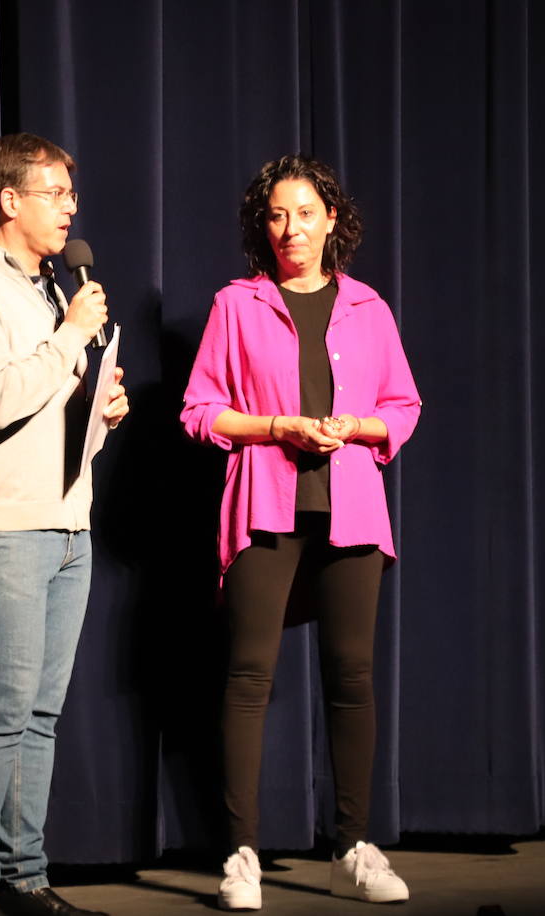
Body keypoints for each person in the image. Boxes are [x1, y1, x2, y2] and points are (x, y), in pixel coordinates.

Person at [180, 155, 422, 909]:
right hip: (265, 507)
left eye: (306, 214)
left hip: (350, 507)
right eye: (278, 216)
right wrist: (276, 425)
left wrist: (357, 426)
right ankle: (241, 854)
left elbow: (403, 407)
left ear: (332, 222)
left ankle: (352, 847)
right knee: (250, 677)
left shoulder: (369, 308)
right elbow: (198, 411)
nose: (292, 230)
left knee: (352, 679)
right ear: (265, 226)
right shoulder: (237, 306)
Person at [0, 133, 128, 916]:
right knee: (3, 708)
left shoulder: (52, 290)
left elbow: (52, 405)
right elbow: (0, 398)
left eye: (71, 196)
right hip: (3, 526)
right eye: (55, 194)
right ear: (10, 201)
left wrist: (103, 408)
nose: (70, 208)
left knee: (40, 716)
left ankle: (25, 878)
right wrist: (74, 335)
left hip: (68, 522)